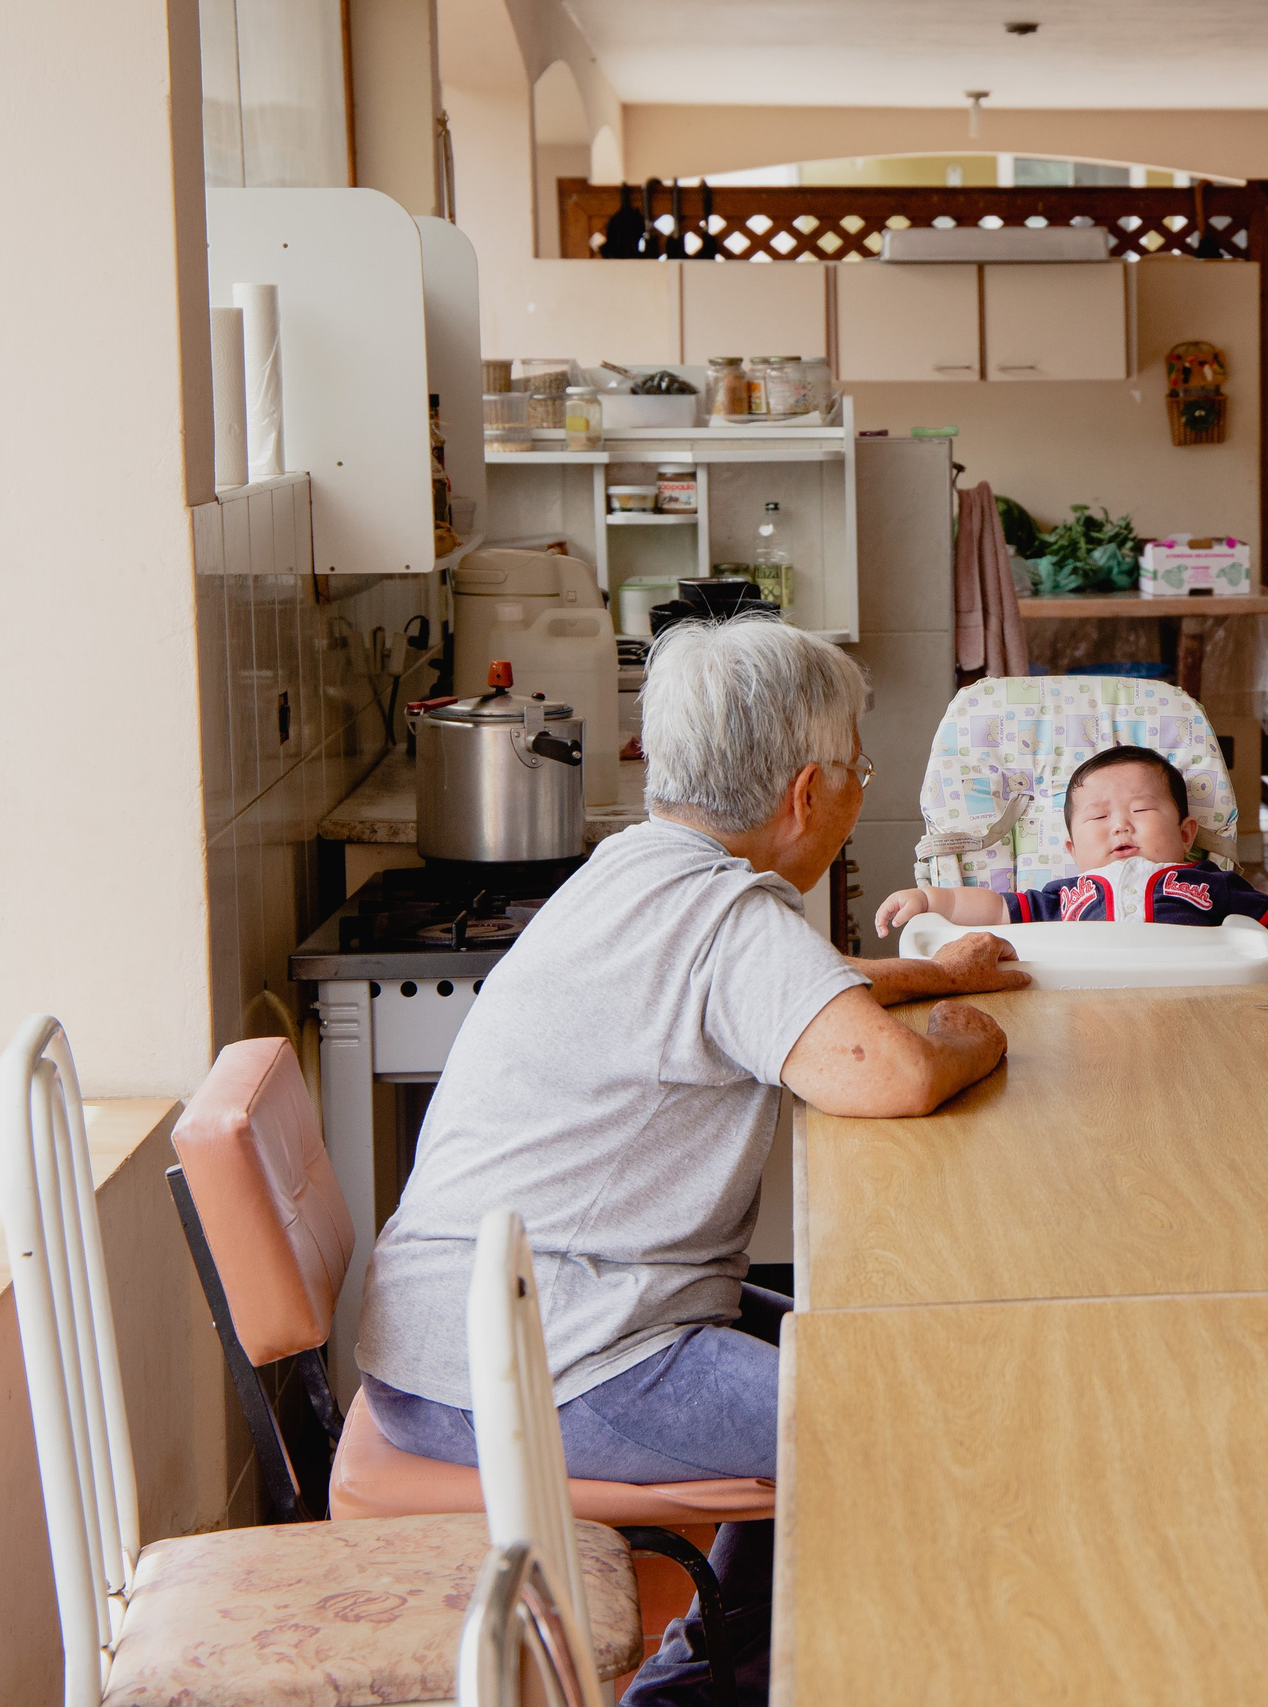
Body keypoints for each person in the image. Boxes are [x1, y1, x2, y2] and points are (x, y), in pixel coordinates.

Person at [353, 616, 1030, 1707]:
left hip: (471, 1331)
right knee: (907, 1417)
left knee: (850, 1340)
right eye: (858, 770)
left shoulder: (636, 867)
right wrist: (964, 1035)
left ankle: (716, 1668)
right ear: (807, 794)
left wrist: (919, 977)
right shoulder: (727, 912)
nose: (860, 790)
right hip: (554, 1360)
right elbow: (891, 1079)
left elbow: (792, 987)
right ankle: (712, 1689)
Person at [874, 745, 1268, 980]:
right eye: (1099, 817)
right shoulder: (1065, 896)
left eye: (1141, 811)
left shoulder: (1209, 884)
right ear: (1073, 854)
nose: (1121, 826)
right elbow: (994, 909)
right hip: (1087, 1006)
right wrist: (929, 898)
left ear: (1187, 835)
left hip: (1198, 1000)